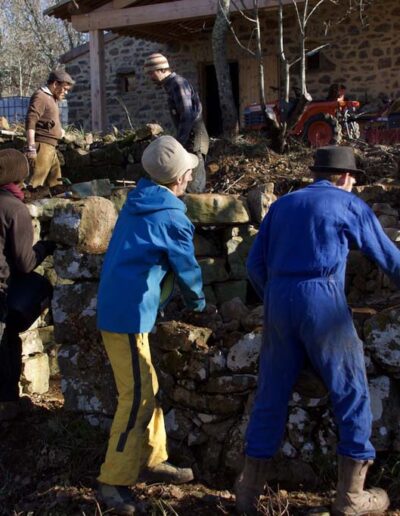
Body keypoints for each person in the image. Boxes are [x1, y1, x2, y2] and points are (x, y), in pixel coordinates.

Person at [235, 146, 399, 515]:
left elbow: (254, 264)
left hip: (278, 298)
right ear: (344, 177)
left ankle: (247, 493)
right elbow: (388, 257)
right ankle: (351, 498)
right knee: (351, 391)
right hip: (321, 297)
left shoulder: (281, 206)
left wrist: (277, 299)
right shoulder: (347, 203)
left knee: (271, 395)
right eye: (354, 180)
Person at [96, 135, 206, 514]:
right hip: (127, 314)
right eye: (189, 172)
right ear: (179, 179)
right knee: (136, 397)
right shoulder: (172, 217)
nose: (191, 177)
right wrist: (199, 303)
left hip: (120, 307)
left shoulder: (139, 201)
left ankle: (153, 457)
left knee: (148, 386)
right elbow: (187, 269)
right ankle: (113, 480)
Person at [0, 149, 56, 421]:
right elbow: (25, 262)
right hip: (0, 290)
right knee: (5, 346)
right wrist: (46, 247)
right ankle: (8, 405)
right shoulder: (14, 208)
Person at [144, 53, 209, 193]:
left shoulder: (177, 84)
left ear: (161, 69)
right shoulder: (171, 85)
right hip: (189, 136)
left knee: (193, 186)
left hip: (194, 137)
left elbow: (187, 115)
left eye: (151, 73)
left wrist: (179, 143)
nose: (150, 77)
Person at [24, 69, 74, 188]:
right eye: (65, 89)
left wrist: (59, 131)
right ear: (55, 84)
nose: (66, 93)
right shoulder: (41, 96)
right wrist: (31, 146)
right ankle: (22, 206)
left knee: (57, 186)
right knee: (33, 186)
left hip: (51, 148)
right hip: (42, 147)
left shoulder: (52, 98)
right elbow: (31, 120)